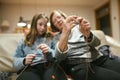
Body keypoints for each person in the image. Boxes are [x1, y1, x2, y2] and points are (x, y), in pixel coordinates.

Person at [50, 10, 120, 80]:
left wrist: (88, 35)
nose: (58, 20)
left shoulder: (79, 27)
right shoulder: (56, 38)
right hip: (80, 66)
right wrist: (64, 33)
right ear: (54, 26)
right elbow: (59, 57)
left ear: (63, 17)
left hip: (99, 59)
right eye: (55, 21)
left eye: (58, 17)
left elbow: (97, 43)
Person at [13, 13, 67, 80]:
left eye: (45, 25)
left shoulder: (51, 38)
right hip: (31, 68)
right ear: (34, 24)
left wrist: (49, 51)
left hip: (49, 66)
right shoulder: (24, 40)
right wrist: (24, 61)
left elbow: (57, 55)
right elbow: (15, 61)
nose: (43, 28)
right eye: (40, 24)